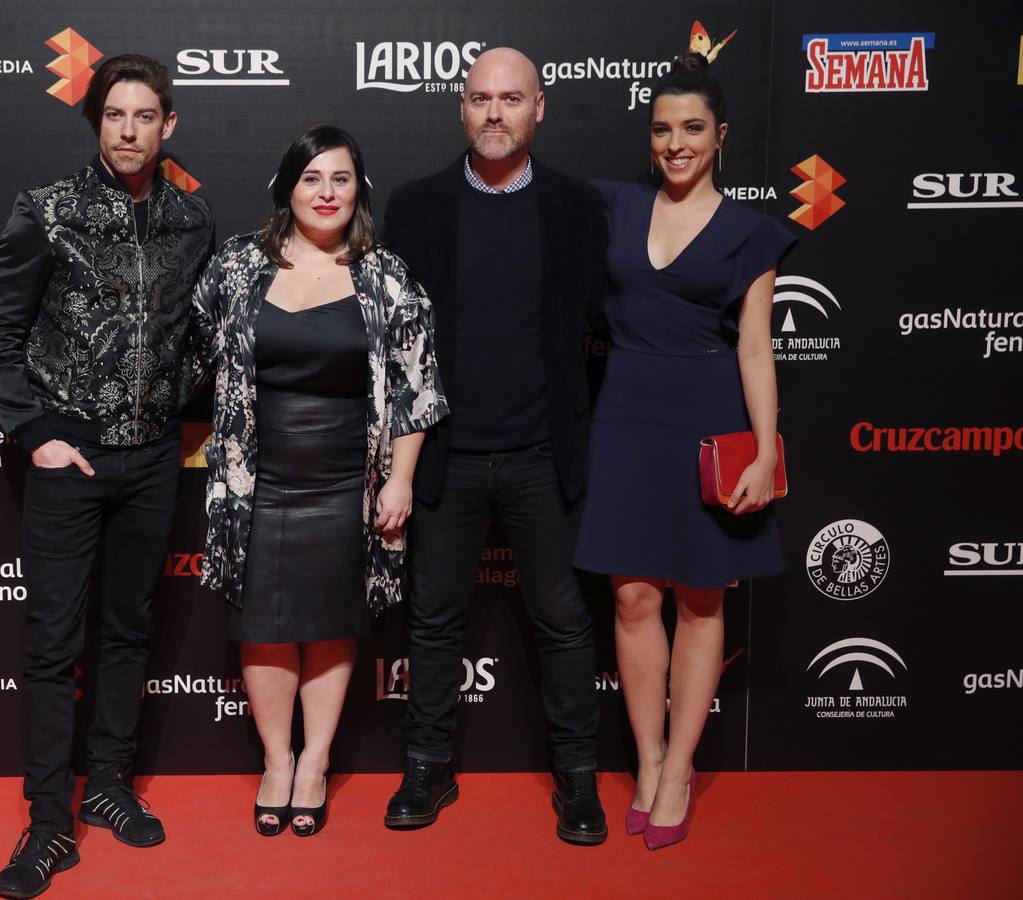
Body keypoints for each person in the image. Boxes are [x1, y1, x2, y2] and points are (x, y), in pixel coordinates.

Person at [0, 54, 214, 898]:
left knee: (127, 633)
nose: (128, 130)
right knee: (50, 645)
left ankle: (107, 785)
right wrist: (34, 432)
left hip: (152, 462)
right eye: (114, 115)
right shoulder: (48, 211)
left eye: (144, 116)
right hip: (68, 462)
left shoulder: (191, 221)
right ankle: (46, 823)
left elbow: (199, 339)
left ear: (167, 126)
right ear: (96, 122)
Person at [379, 47, 610, 844]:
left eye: (511, 99)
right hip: (445, 451)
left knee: (562, 618)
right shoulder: (414, 209)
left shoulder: (579, 207)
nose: (494, 113)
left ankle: (577, 781)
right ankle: (425, 766)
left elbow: (599, 332)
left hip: (543, 451)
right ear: (460, 107)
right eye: (479, 98)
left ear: (539, 108)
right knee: (434, 618)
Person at [189, 124, 447, 838]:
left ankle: (316, 762)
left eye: (340, 178)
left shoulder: (384, 275)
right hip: (255, 478)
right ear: (286, 187)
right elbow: (192, 353)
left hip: (348, 480)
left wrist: (398, 481)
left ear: (357, 189)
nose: (325, 192)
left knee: (332, 624)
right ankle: (277, 761)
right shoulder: (239, 265)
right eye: (311, 178)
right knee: (263, 627)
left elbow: (415, 389)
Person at [572, 52, 794, 851]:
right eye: (662, 128)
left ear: (720, 136)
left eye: (692, 128)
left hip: (709, 417)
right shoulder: (612, 207)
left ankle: (680, 769)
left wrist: (765, 451)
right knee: (632, 598)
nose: (675, 143)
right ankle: (649, 754)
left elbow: (756, 352)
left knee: (701, 600)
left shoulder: (749, 232)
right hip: (624, 414)